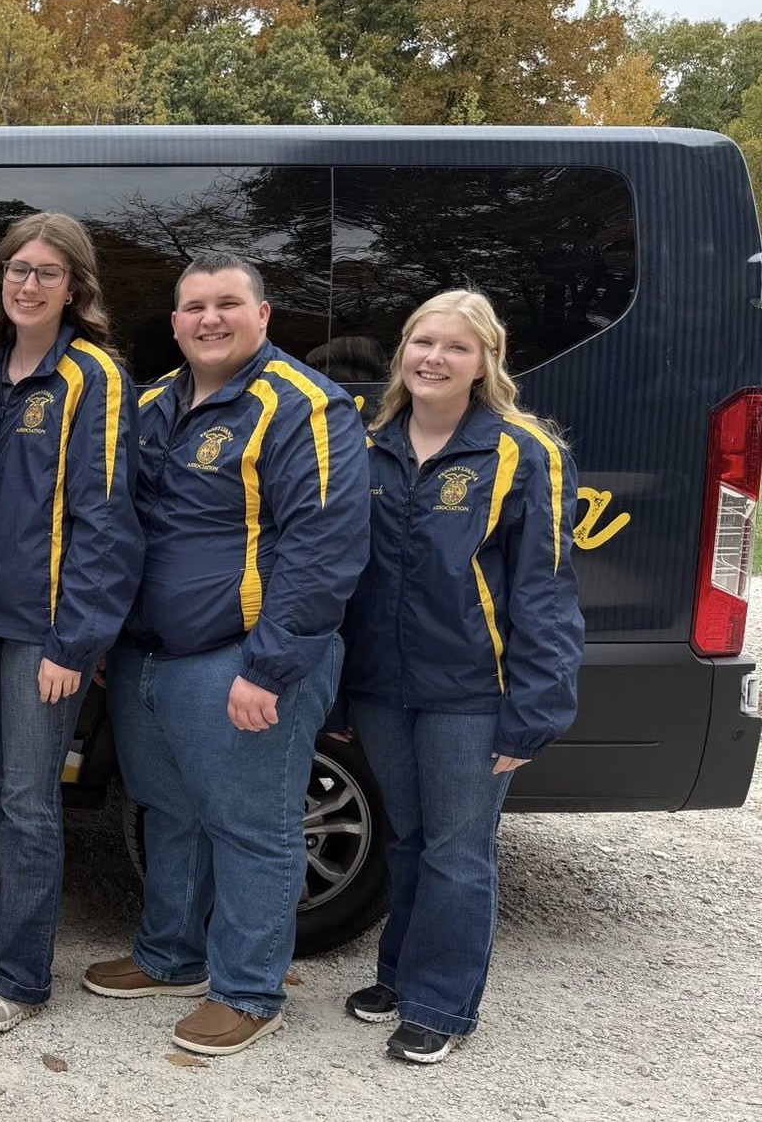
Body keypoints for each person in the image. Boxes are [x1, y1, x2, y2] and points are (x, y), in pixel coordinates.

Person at [84, 253, 368, 1056]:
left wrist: (270, 666)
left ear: (263, 315)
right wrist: (108, 635)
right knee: (170, 813)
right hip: (148, 657)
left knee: (254, 827)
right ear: (175, 324)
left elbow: (324, 547)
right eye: (195, 306)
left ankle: (248, 990)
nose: (210, 319)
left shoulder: (304, 404)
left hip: (242, 658)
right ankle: (170, 956)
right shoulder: (150, 406)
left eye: (228, 304)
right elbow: (119, 531)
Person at [337, 290, 583, 1063]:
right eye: (423, 342)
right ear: (402, 353)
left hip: (472, 692)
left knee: (458, 848)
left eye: (456, 346)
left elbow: (545, 588)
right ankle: (400, 976)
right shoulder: (367, 445)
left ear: (485, 362)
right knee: (409, 838)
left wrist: (536, 706)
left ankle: (441, 1005)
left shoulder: (522, 451)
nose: (435, 358)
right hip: (383, 686)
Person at [0, 212, 142, 1033]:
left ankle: (18, 978)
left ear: (75, 287)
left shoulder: (93, 377)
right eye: (17, 269)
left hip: (45, 632)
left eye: (47, 272)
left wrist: (76, 640)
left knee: (28, 801)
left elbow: (107, 518)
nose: (28, 284)